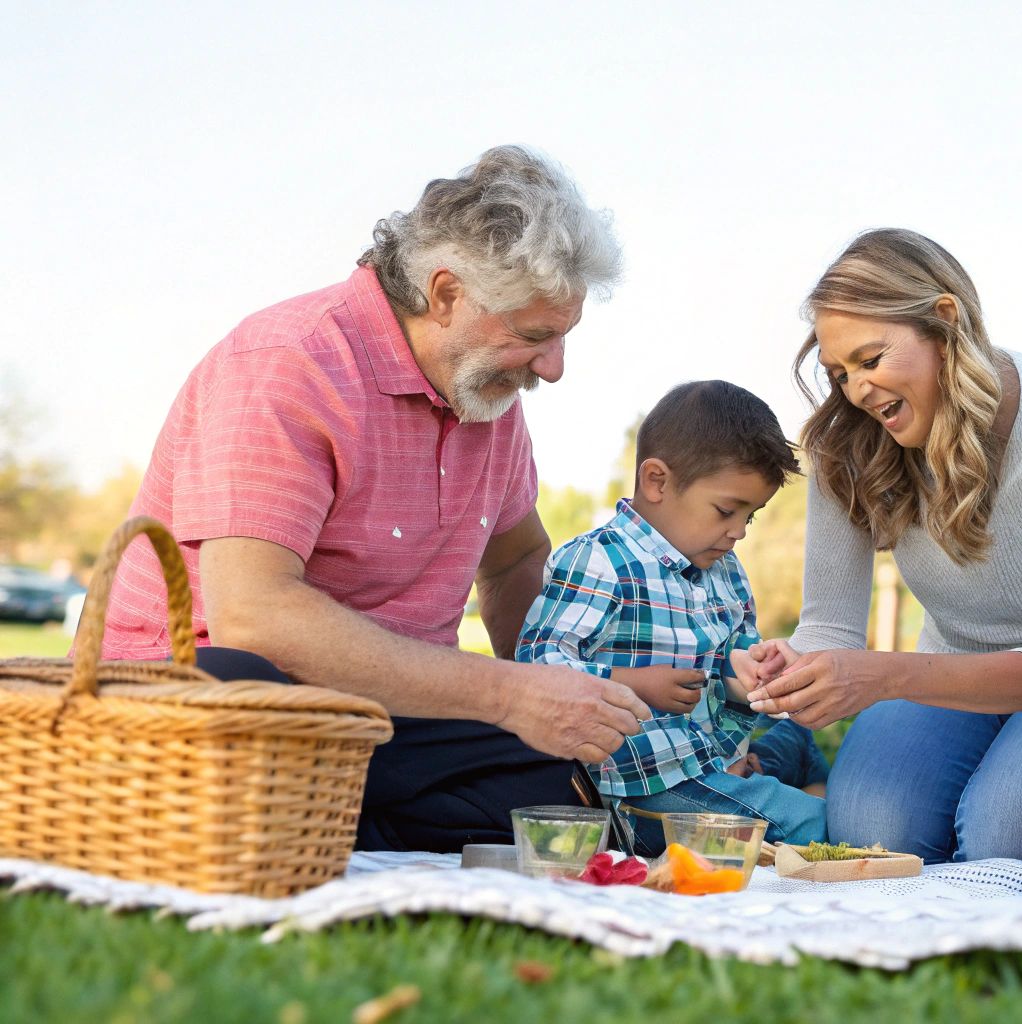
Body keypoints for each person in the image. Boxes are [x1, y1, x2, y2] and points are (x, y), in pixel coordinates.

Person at [100, 146, 664, 851]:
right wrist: (511, 697)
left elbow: (518, 558)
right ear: (447, 293)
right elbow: (254, 616)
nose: (553, 368)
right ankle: (329, 821)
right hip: (223, 693)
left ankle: (317, 826)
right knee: (238, 694)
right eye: (535, 336)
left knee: (555, 790)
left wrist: (552, 695)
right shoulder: (289, 361)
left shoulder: (486, 396)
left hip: (389, 714)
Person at [741, 228, 1022, 884]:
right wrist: (800, 664)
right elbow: (830, 630)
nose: (856, 390)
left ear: (946, 322)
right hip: (957, 678)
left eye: (871, 359)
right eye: (840, 372)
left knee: (1010, 836)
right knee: (876, 832)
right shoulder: (847, 443)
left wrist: (884, 675)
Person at [516, 380, 829, 854]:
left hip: (713, 758)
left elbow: (729, 660)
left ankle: (762, 805)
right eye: (727, 510)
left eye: (752, 515)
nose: (739, 531)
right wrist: (633, 684)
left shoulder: (725, 569)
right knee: (812, 821)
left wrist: (751, 671)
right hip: (648, 788)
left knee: (800, 741)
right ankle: (792, 829)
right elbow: (538, 665)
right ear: (656, 481)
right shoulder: (599, 561)